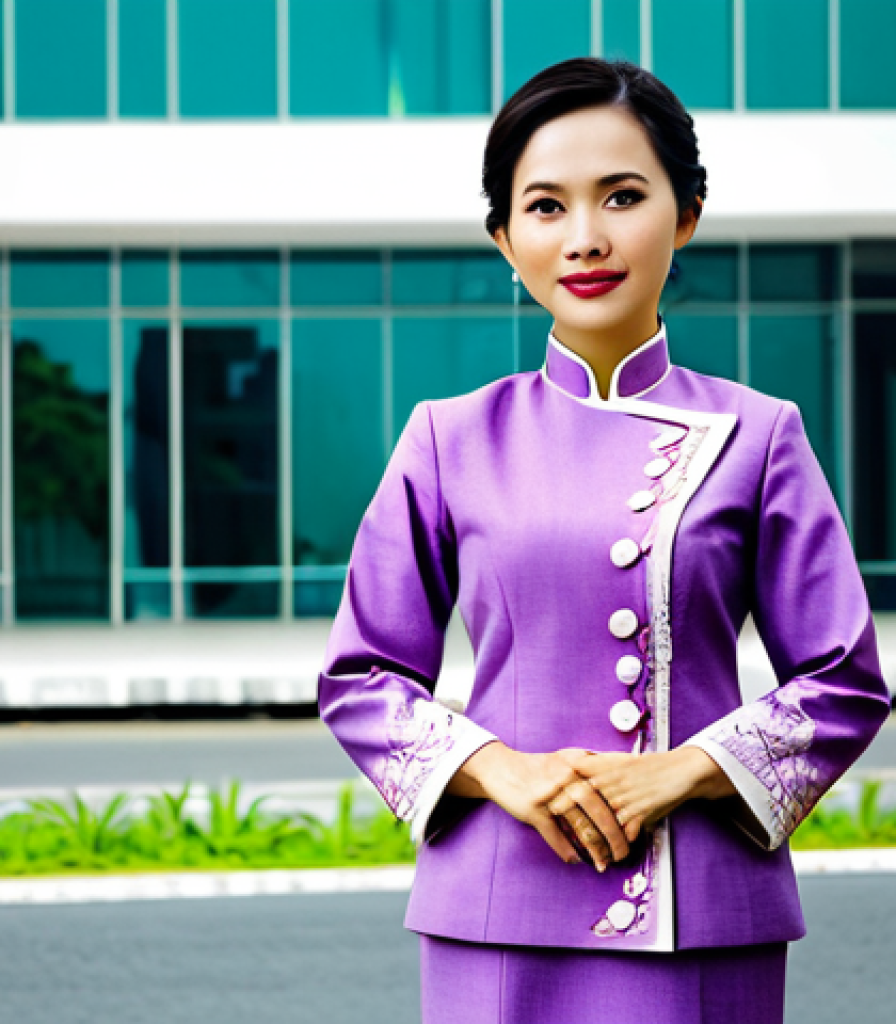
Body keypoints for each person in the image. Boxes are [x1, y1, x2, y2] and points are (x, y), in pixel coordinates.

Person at [317, 56, 891, 1024]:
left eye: (622, 196)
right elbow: (360, 676)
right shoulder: (447, 439)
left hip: (702, 904)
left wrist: (682, 770)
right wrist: (503, 769)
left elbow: (844, 680)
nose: (585, 236)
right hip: (497, 905)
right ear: (505, 240)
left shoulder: (760, 435)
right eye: (545, 207)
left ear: (687, 213)